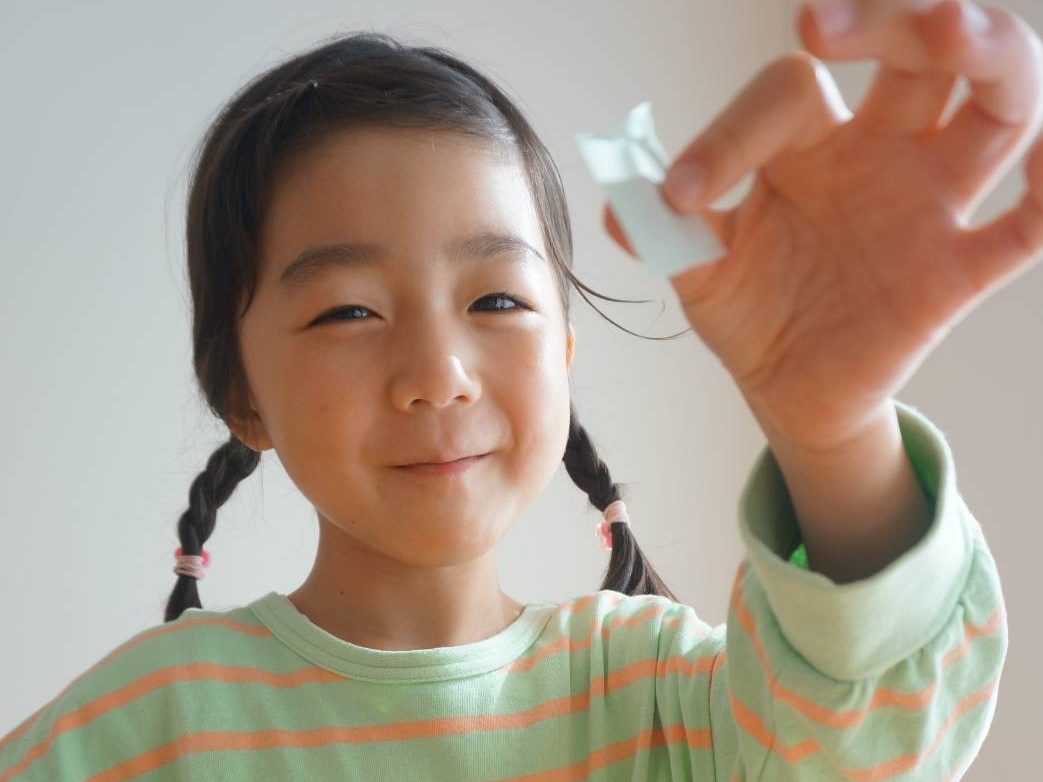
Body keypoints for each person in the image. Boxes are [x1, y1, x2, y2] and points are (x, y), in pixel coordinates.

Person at [4, 0, 1036, 776]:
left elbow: (872, 738)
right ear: (243, 397)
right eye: (348, 311)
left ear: (565, 352)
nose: (437, 373)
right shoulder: (143, 730)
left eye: (495, 299)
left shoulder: (668, 701)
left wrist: (831, 429)